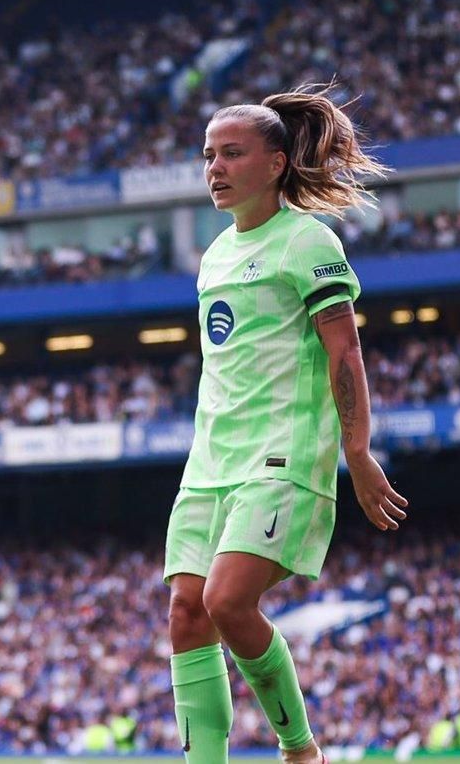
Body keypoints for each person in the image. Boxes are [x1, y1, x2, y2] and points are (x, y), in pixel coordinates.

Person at [164, 88, 409, 764]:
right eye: (209, 155)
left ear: (275, 163)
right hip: (210, 462)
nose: (214, 167)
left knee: (227, 601)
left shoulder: (307, 240)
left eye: (232, 153)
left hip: (282, 456)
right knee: (186, 615)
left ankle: (300, 749)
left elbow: (345, 352)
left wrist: (357, 453)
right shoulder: (213, 256)